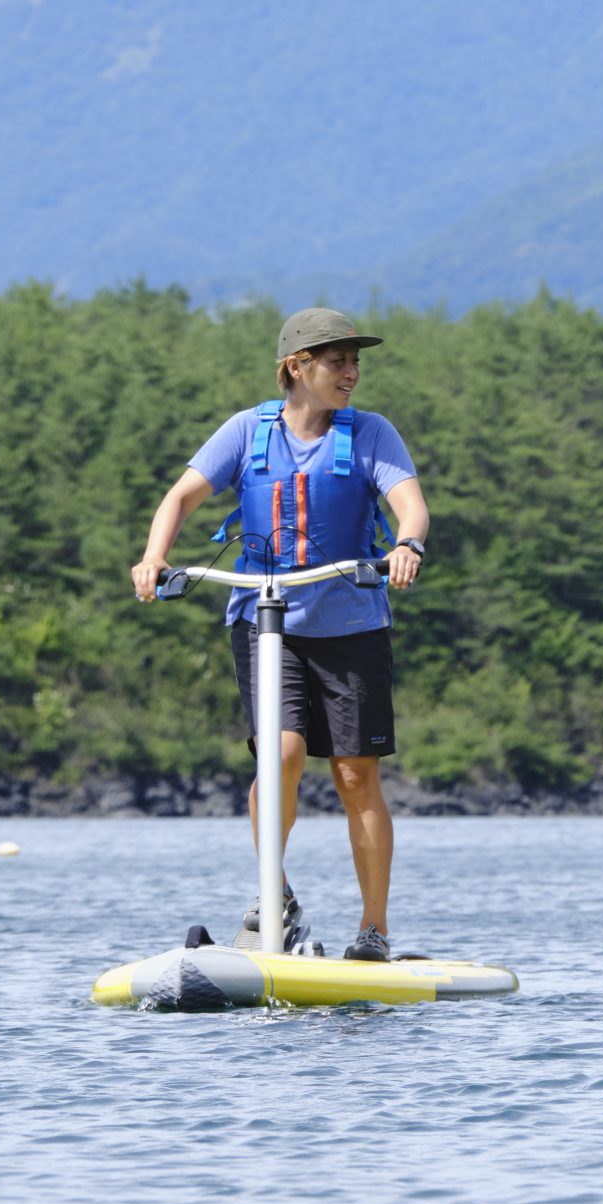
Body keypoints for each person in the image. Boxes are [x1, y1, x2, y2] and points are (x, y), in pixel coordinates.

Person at [130, 308, 428, 961]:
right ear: (297, 366)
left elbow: (410, 502)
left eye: (356, 361)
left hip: (352, 624)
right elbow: (181, 496)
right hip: (267, 623)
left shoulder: (370, 433)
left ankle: (373, 929)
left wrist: (407, 543)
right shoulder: (247, 430)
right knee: (281, 752)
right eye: (336, 361)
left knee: (355, 774)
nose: (351, 373)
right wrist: (155, 556)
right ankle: (276, 896)